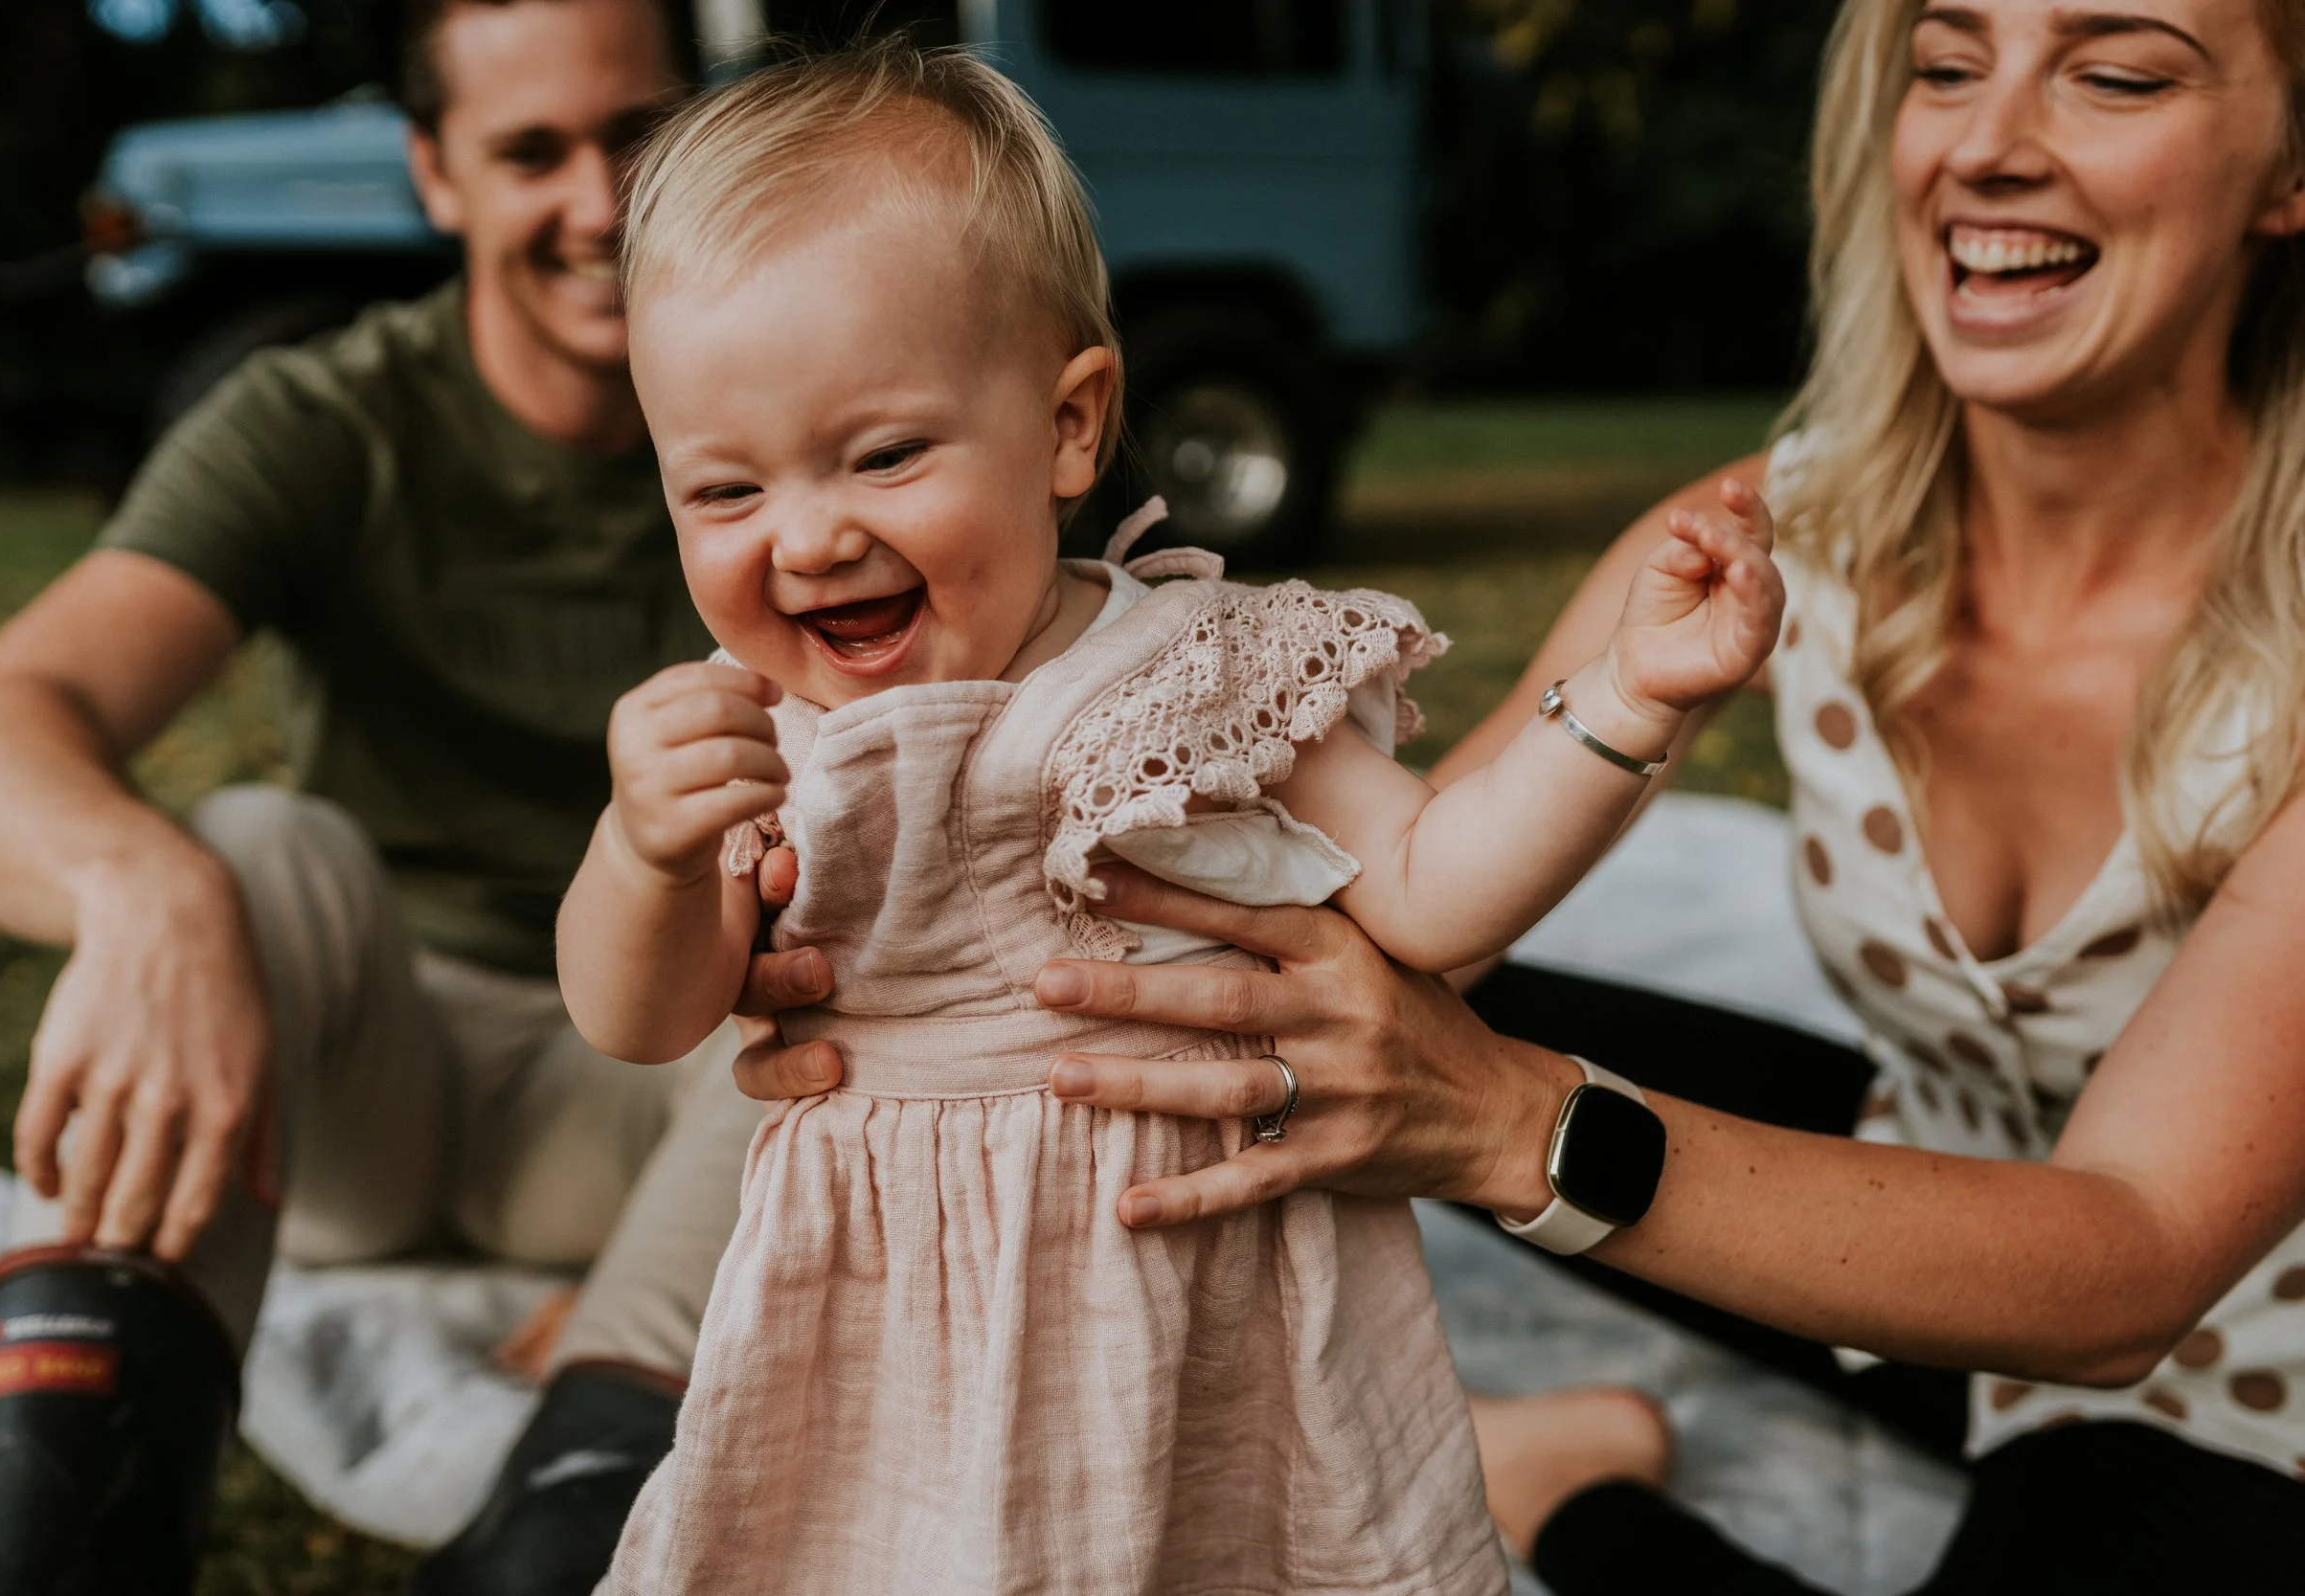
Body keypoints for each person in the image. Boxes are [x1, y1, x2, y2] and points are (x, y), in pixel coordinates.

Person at [732, 0, 2305, 1589]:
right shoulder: (1772, 534)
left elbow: (2135, 1267)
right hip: (1938, 1177)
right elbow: (1404, 913)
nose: (1987, 144)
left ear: (2292, 160)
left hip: (2235, 1360)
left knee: (1453, 1078)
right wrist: (973, 1028)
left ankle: (1547, 1491)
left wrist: (1510, 1128)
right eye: (1946, 67)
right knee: (1312, 1012)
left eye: (2115, 73)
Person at [563, 43, 1784, 1594]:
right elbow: (641, 1012)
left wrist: (1627, 704)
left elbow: (1430, 887)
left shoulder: (1196, 671)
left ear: (1072, 426)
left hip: (1198, 1291)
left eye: (883, 455)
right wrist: (641, 851)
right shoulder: (758, 729)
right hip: (880, 1320)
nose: (809, 536)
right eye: (723, 493)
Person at [0, 0, 822, 1588]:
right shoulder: (326, 421)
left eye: (636, 135)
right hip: (366, 1086)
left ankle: (573, 1504)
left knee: (837, 942)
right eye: (530, 150)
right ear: (435, 175)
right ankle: (55, 1539)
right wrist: (148, 893)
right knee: (248, 842)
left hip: (682, 1078)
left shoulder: (833, 425)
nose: (599, 204)